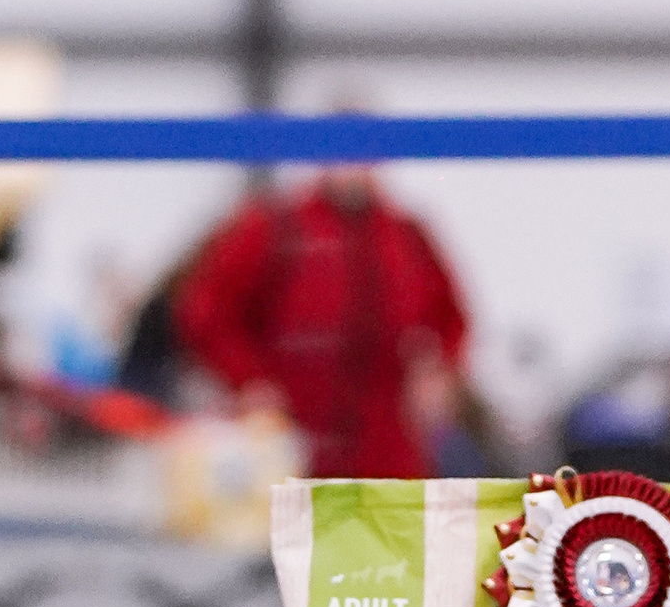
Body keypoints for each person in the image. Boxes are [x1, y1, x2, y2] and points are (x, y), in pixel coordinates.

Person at [173, 159, 471, 479]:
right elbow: (207, 312)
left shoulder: (406, 234)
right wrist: (248, 380)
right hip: (287, 440)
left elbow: (451, 317)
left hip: (387, 447)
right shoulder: (274, 226)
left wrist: (437, 371)